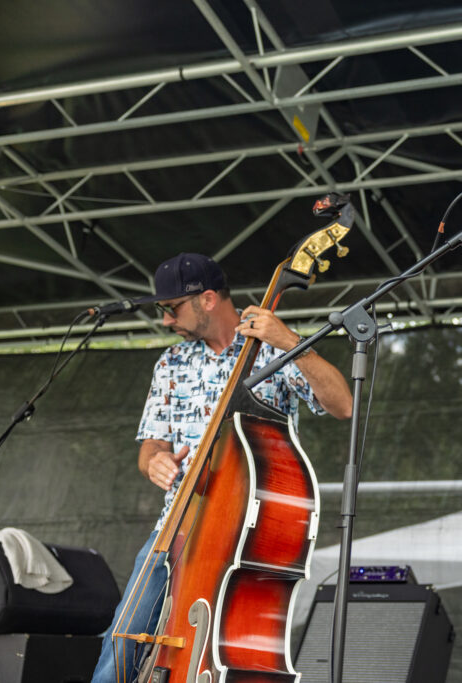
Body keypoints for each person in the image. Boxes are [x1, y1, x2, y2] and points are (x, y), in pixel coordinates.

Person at [92, 252, 352, 683]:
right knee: (123, 640)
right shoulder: (171, 364)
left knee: (222, 652)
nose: (165, 320)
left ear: (207, 299)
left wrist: (289, 341)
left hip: (249, 530)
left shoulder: (272, 348)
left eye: (171, 308)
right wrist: (153, 462)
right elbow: (152, 443)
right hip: (176, 525)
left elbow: (342, 404)